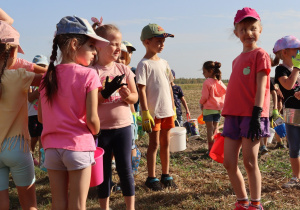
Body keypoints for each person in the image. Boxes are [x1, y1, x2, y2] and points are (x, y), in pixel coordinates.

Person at [38, 16, 107, 209]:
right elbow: (93, 118)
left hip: (51, 149)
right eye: (92, 46)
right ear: (75, 44)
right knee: (78, 204)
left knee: (58, 203)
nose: (95, 52)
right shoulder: (89, 74)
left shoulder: (47, 76)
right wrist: (97, 131)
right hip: (78, 146)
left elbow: (42, 117)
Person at [221, 7, 271, 210]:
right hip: (232, 116)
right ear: (236, 33)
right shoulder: (235, 60)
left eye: (253, 28)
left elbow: (261, 86)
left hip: (252, 116)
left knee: (250, 163)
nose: (248, 33)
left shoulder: (261, 55)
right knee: (229, 163)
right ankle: (242, 201)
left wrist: (257, 114)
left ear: (260, 30)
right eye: (243, 29)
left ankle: (256, 204)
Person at [92, 18, 138, 210]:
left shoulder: (124, 69)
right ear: (98, 45)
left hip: (123, 128)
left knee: (125, 169)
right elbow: (90, 102)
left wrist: (128, 97)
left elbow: (135, 97)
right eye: (113, 44)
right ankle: (105, 207)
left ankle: (130, 207)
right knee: (103, 172)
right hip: (101, 130)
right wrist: (105, 93)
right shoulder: (91, 71)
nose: (118, 48)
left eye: (120, 44)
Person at [0, 15, 43, 209]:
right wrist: (25, 65)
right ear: (12, 53)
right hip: (16, 146)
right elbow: (50, 77)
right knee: (29, 205)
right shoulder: (18, 75)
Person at [136, 23, 177, 191]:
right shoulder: (143, 64)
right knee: (153, 145)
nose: (162, 45)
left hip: (167, 111)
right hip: (153, 113)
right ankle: (151, 177)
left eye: (163, 41)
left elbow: (169, 86)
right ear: (146, 42)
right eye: (158, 41)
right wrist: (145, 112)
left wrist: (173, 108)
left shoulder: (165, 63)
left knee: (166, 143)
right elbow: (141, 89)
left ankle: (165, 175)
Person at [272, 35, 300, 188]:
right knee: (294, 146)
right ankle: (296, 178)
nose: (299, 52)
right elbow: (288, 86)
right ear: (284, 52)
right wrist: (296, 68)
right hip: (292, 112)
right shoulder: (281, 69)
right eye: (296, 49)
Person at [199, 61, 226, 152]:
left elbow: (205, 97)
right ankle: (216, 148)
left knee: (209, 129)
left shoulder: (207, 82)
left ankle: (210, 148)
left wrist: (201, 103)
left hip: (208, 109)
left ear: (210, 71)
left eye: (204, 72)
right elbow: (225, 91)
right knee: (215, 129)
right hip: (218, 109)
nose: (203, 74)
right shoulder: (219, 82)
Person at [27, 55, 48, 166]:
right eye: (38, 67)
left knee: (42, 138)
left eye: (43, 66)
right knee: (33, 138)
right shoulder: (30, 81)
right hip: (32, 115)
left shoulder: (48, 81)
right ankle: (29, 157)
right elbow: (30, 98)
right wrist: (40, 89)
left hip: (44, 114)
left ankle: (42, 162)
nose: (40, 69)